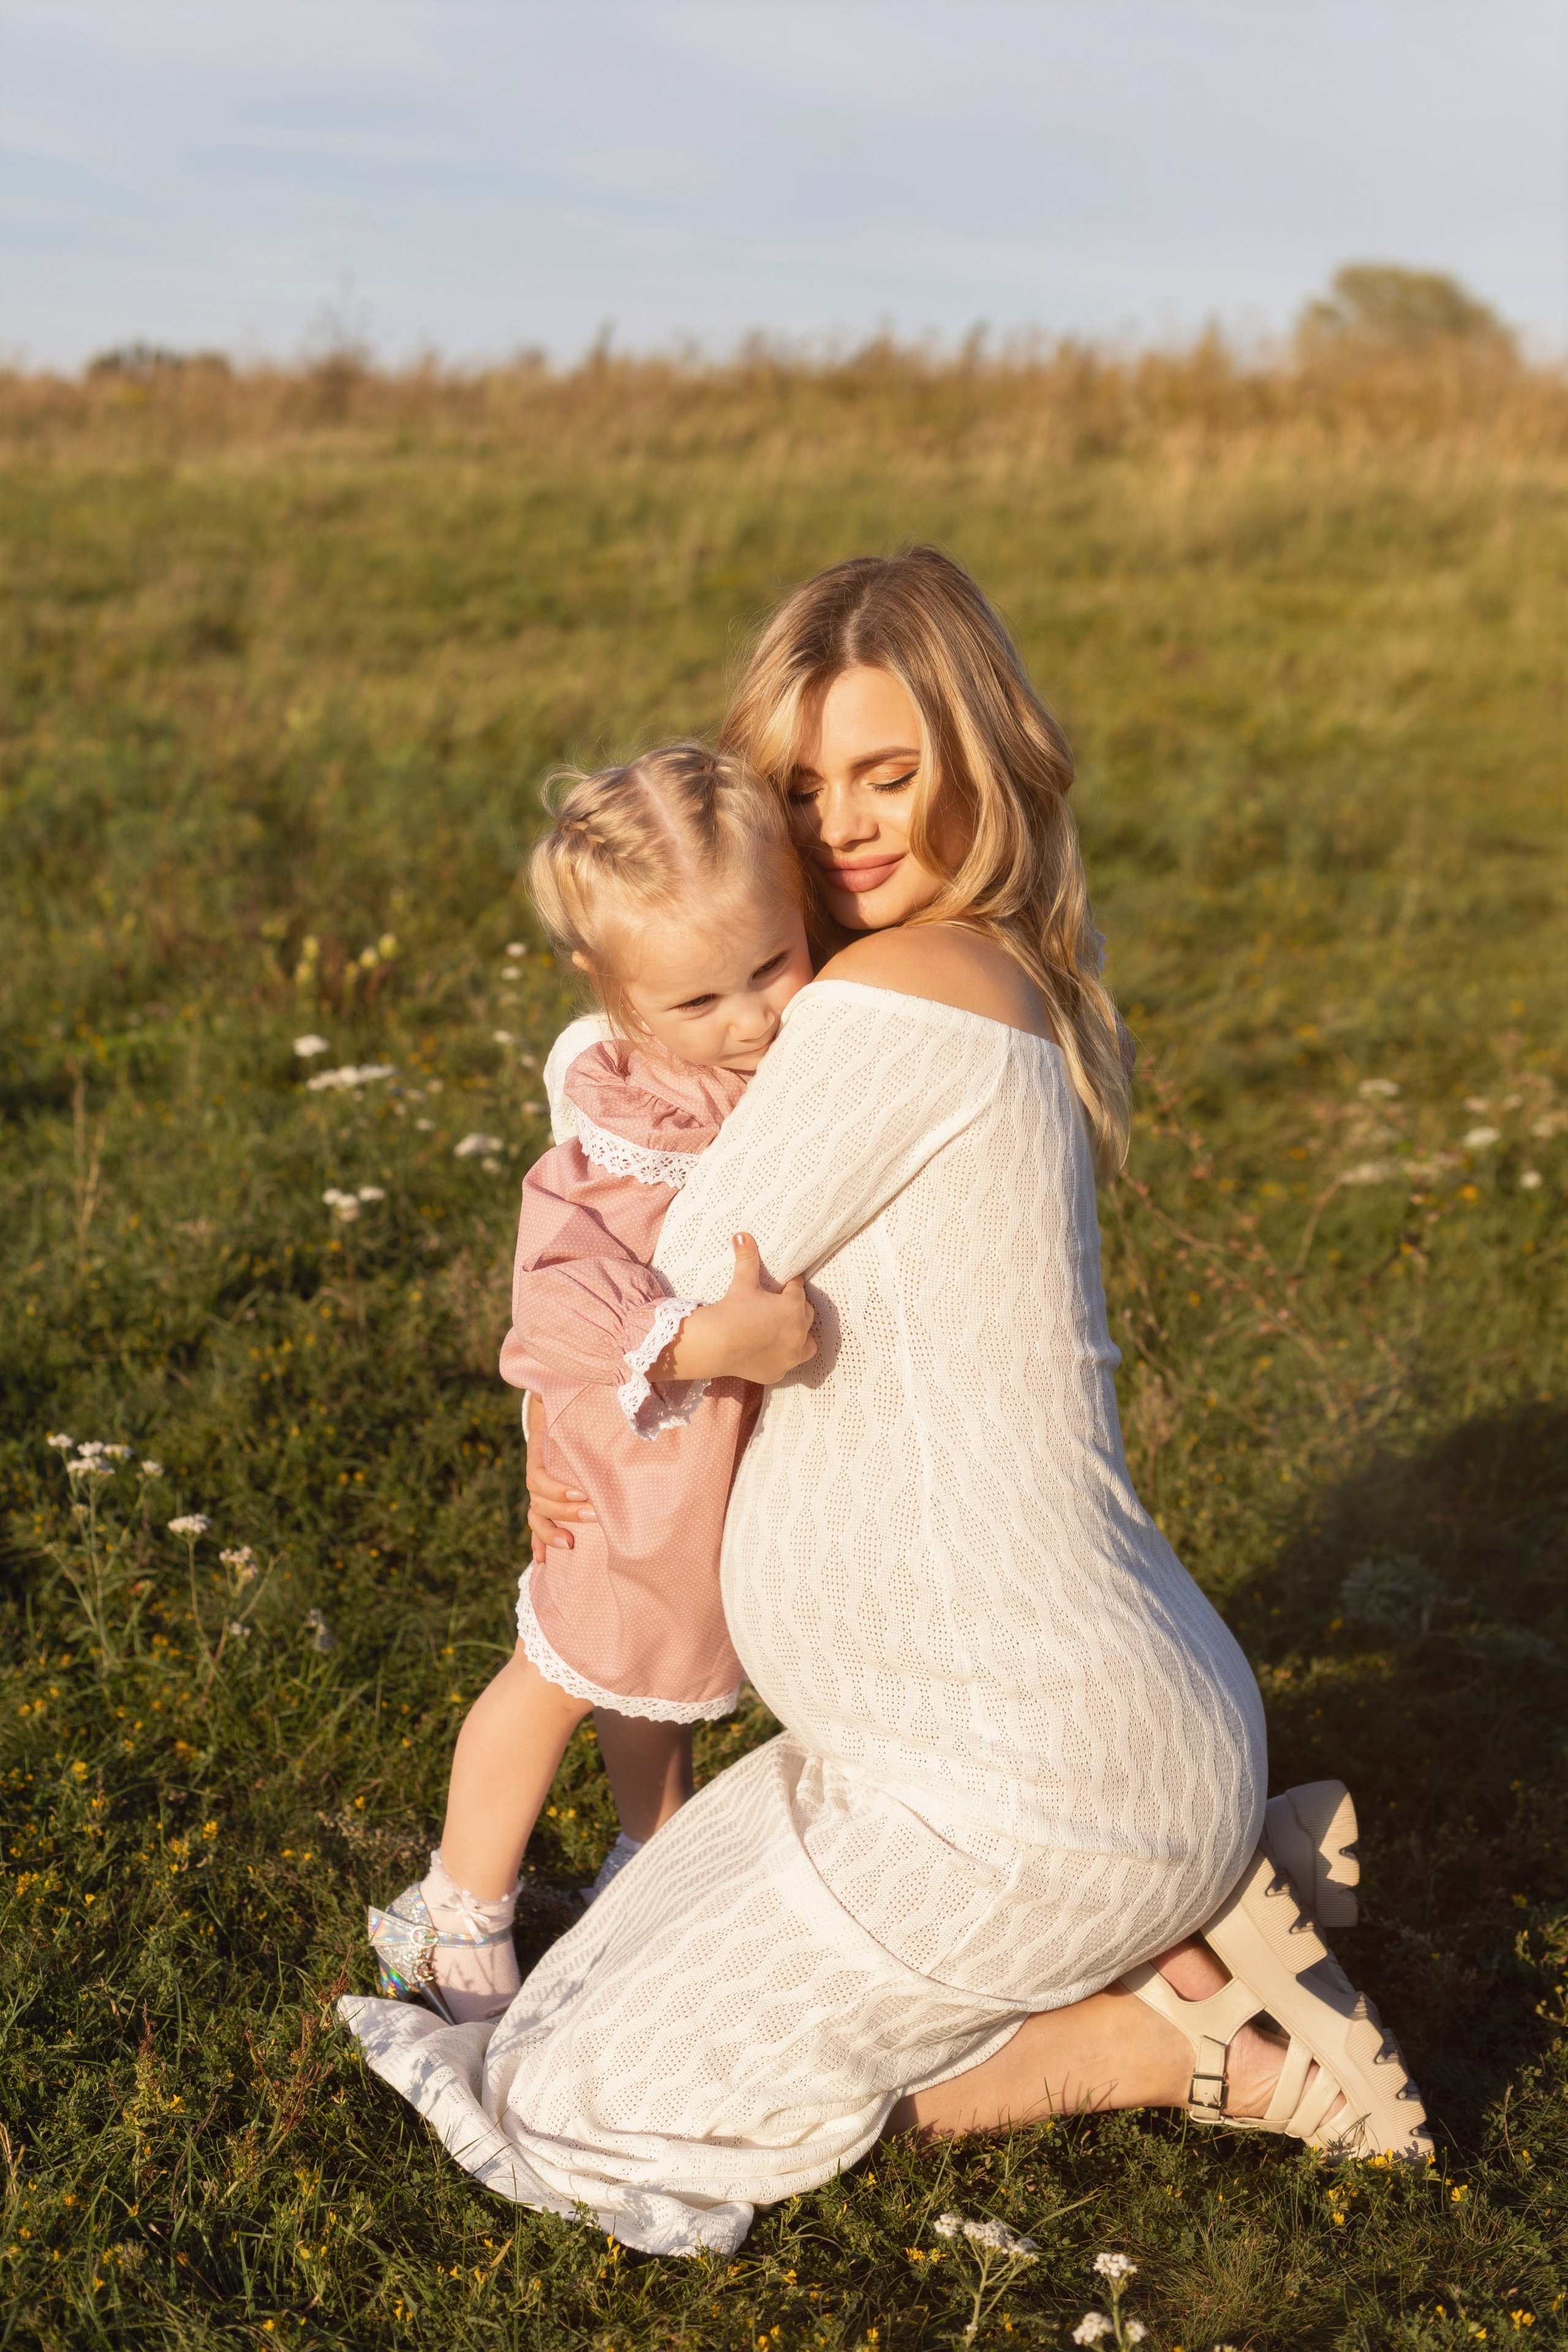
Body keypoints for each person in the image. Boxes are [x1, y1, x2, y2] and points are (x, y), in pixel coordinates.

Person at [341, 548, 1429, 2253]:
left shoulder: (886, 998)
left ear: (979, 762)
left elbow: (687, 1264)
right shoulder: (966, 971)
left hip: (1024, 1772)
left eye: (889, 773)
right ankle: (1223, 1890)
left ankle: (1157, 2041)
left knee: (574, 2101)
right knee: (569, 1997)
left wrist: (585, 1377)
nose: (844, 825)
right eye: (799, 785)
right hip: (963, 1741)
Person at [363, 744, 816, 2025]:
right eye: (697, 1003)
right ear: (611, 997)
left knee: (652, 1678)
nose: (749, 1020)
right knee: (561, 1675)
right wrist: (704, 1346)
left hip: (691, 1464)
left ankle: (647, 1859)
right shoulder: (638, 1115)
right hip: (632, 1453)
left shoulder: (782, 1058)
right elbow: (555, 1300)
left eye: (772, 966)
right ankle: (449, 1911)